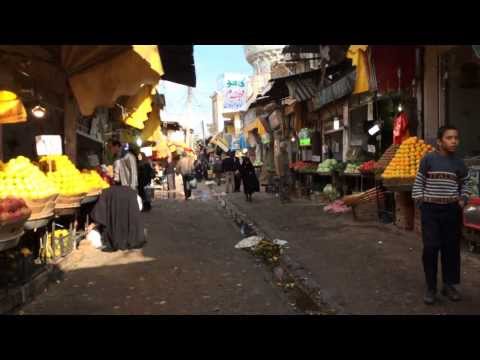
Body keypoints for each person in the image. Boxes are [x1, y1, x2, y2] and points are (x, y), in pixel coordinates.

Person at [412, 126, 472, 305]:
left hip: (451, 211)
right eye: (449, 138)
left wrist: (462, 199)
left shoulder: (459, 164)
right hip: (430, 210)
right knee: (430, 248)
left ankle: (449, 285)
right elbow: (419, 182)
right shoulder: (428, 159)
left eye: (456, 138)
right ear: (439, 141)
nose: (454, 141)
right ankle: (431, 287)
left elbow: (466, 184)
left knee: (451, 249)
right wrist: (420, 201)